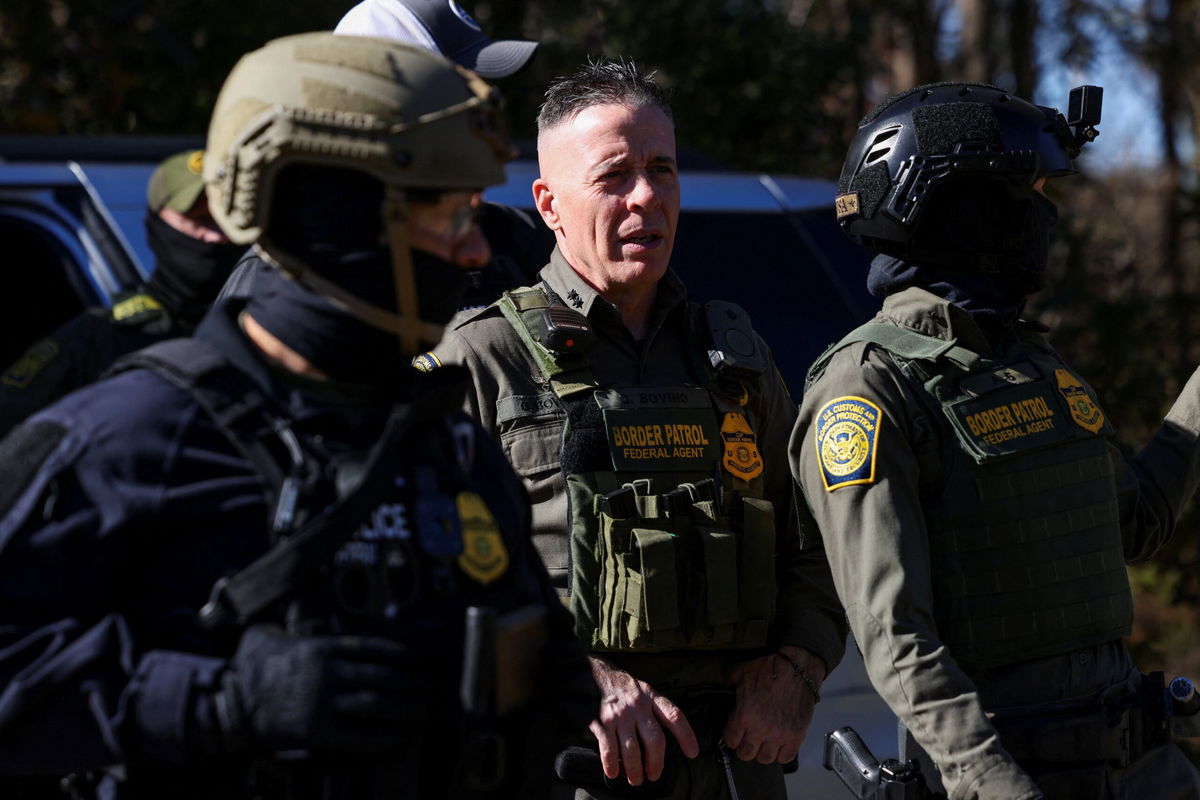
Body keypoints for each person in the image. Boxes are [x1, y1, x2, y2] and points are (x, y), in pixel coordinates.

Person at [0, 32, 594, 800]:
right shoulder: (128, 437)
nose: (478, 251)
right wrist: (217, 701)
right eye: (450, 215)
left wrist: (548, 691)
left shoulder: (448, 443)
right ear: (342, 221)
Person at [428, 57, 847, 800]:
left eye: (662, 170)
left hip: (736, 769)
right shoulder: (481, 358)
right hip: (570, 766)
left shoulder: (737, 359)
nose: (646, 196)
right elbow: (427, 577)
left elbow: (820, 539)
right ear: (549, 204)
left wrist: (797, 669)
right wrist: (573, 674)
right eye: (614, 175)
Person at [792, 81, 1200, 799]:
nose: (1048, 214)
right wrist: (989, 779)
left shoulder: (1029, 361)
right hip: (1012, 774)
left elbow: (1133, 523)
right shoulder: (867, 387)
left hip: (1143, 768)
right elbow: (895, 633)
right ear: (965, 206)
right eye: (1033, 191)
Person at [218, 0, 553, 312]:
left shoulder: (516, 235)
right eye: (463, 94)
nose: (484, 115)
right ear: (388, 110)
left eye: (484, 93)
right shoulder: (284, 275)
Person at [0, 149, 243, 438]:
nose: (216, 236)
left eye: (225, 219)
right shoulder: (96, 339)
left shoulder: (263, 330)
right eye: (200, 219)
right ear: (157, 226)